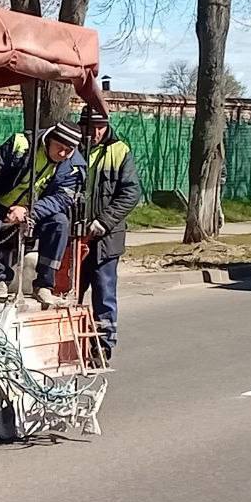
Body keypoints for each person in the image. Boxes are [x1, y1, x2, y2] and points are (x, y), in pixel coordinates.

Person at [0, 120, 85, 306]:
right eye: (59, 147)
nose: (62, 154)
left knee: (60, 223)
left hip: (36, 211)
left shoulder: (75, 166)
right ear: (49, 140)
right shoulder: (20, 144)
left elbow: (62, 199)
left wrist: (29, 212)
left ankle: (45, 285)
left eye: (68, 150)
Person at [78, 105, 142, 361]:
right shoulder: (72, 147)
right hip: (74, 238)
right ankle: (73, 341)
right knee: (70, 293)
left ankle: (102, 345)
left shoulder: (119, 151)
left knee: (104, 293)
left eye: (99, 127)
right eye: (89, 127)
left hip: (106, 238)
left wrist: (103, 222)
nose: (94, 133)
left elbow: (131, 193)